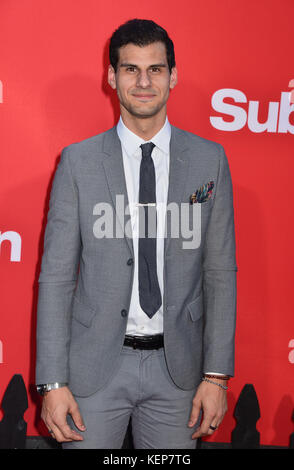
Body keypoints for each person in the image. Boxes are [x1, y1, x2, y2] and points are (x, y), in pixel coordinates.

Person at [35, 18, 238, 449]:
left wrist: (216, 376)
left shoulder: (209, 161)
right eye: (131, 69)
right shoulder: (78, 162)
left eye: (155, 69)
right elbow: (55, 277)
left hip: (179, 372)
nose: (144, 82)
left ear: (173, 76)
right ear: (112, 77)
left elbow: (220, 272)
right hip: (94, 370)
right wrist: (52, 382)